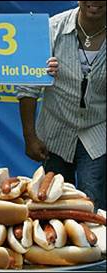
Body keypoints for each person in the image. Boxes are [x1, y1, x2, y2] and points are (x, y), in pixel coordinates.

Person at [17, 1, 106, 210]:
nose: (95, 2)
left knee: (91, 204)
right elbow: (28, 87)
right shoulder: (52, 29)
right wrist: (29, 136)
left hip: (97, 131)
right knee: (51, 203)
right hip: (55, 130)